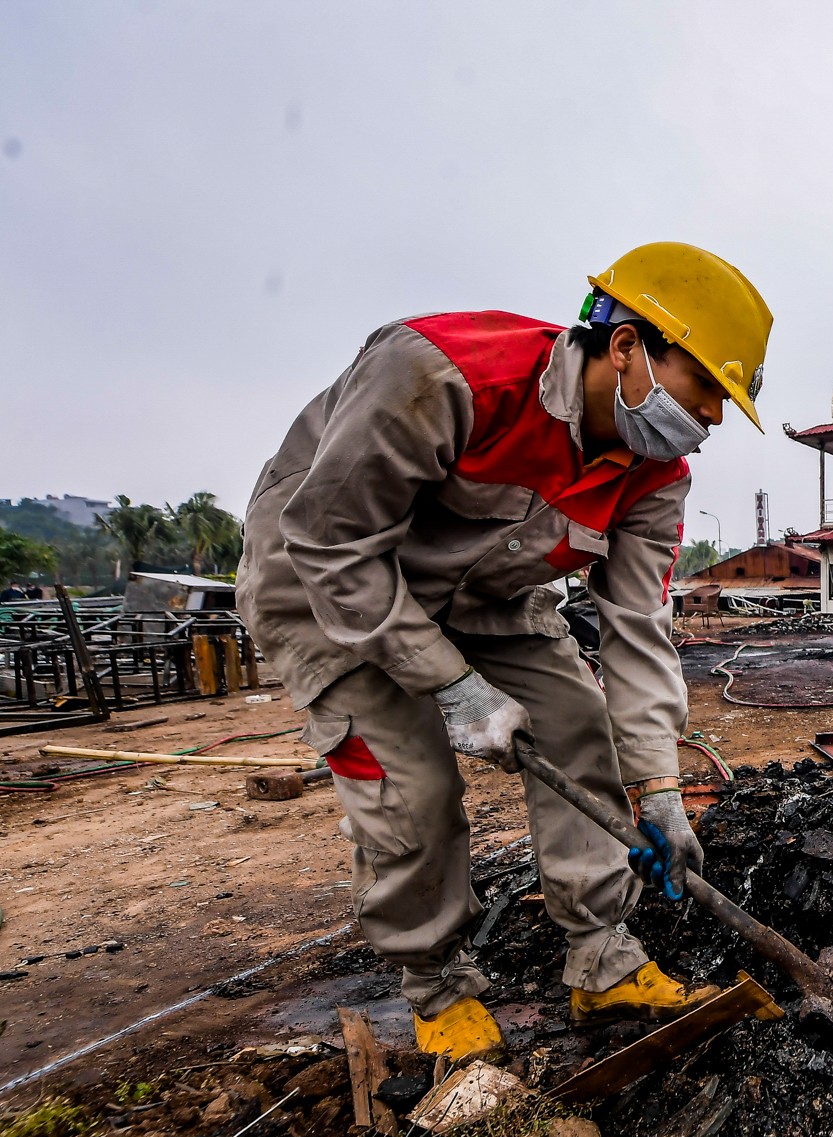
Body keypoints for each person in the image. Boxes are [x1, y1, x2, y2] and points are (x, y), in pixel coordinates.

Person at [237, 243, 771, 1061]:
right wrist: (449, 687)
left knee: (578, 725)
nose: (713, 418)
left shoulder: (655, 474)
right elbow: (331, 542)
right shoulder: (443, 375)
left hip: (488, 596)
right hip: (328, 582)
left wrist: (659, 783)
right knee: (414, 787)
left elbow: (636, 624)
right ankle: (437, 985)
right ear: (627, 346)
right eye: (706, 387)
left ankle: (602, 957)